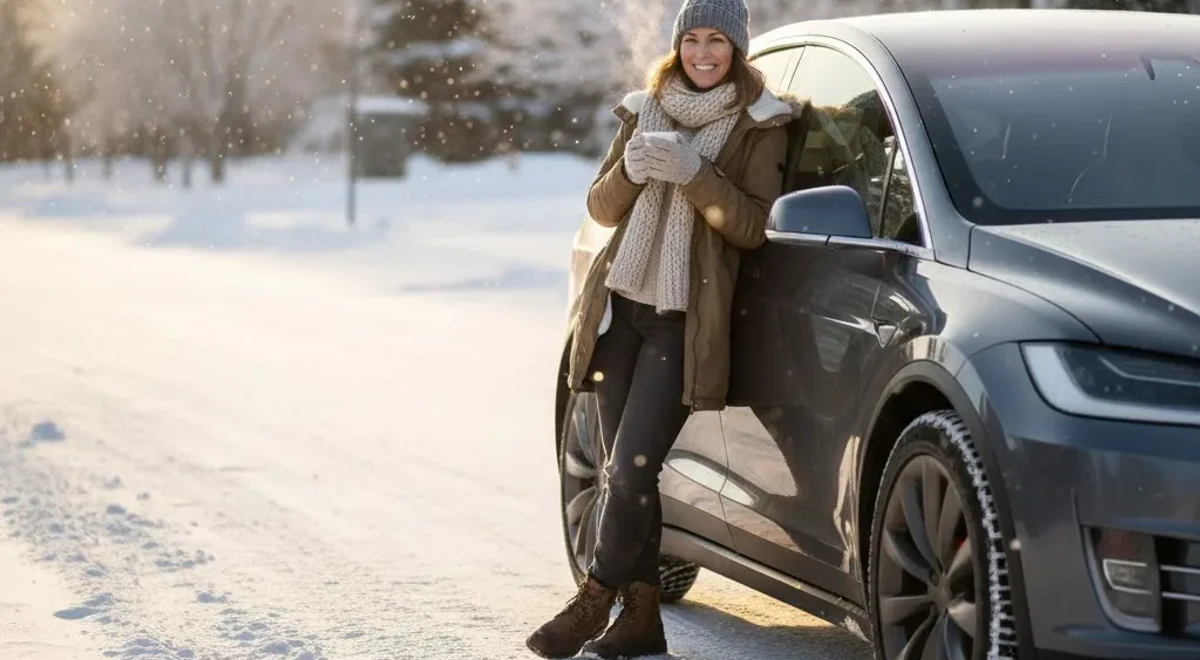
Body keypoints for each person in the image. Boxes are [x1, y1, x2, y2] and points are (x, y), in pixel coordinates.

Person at [525, 0, 794, 657]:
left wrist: (695, 176)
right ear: (678, 46)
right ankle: (642, 622)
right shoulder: (643, 108)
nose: (704, 52)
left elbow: (753, 228)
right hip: (624, 311)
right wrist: (632, 171)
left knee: (631, 472)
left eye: (718, 41)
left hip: (684, 320)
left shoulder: (762, 123)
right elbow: (600, 205)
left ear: (737, 48)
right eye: (693, 39)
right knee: (624, 472)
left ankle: (594, 599)